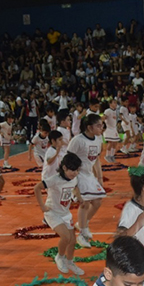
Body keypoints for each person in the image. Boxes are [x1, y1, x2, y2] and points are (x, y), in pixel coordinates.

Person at [34, 152, 84, 275]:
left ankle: (70, 261)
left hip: (65, 213)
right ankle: (60, 257)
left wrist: (78, 196)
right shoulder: (54, 180)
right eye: (72, 170)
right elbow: (37, 188)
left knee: (72, 241)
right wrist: (42, 206)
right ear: (64, 168)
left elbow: (75, 187)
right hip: (52, 213)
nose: (75, 173)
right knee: (66, 237)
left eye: (77, 170)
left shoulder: (74, 178)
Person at [67, 114, 106, 248]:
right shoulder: (77, 140)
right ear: (89, 127)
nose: (101, 128)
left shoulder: (98, 139)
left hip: (89, 174)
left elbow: (96, 160)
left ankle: (82, 224)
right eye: (98, 125)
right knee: (84, 203)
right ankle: (82, 235)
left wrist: (99, 177)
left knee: (97, 201)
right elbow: (68, 159)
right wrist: (72, 179)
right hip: (78, 173)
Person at [102, 99, 121, 164]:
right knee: (110, 142)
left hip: (114, 128)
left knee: (115, 142)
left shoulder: (115, 111)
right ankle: (107, 155)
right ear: (110, 104)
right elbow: (103, 117)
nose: (116, 104)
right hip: (108, 128)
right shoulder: (107, 111)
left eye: (116, 103)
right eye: (114, 103)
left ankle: (112, 155)